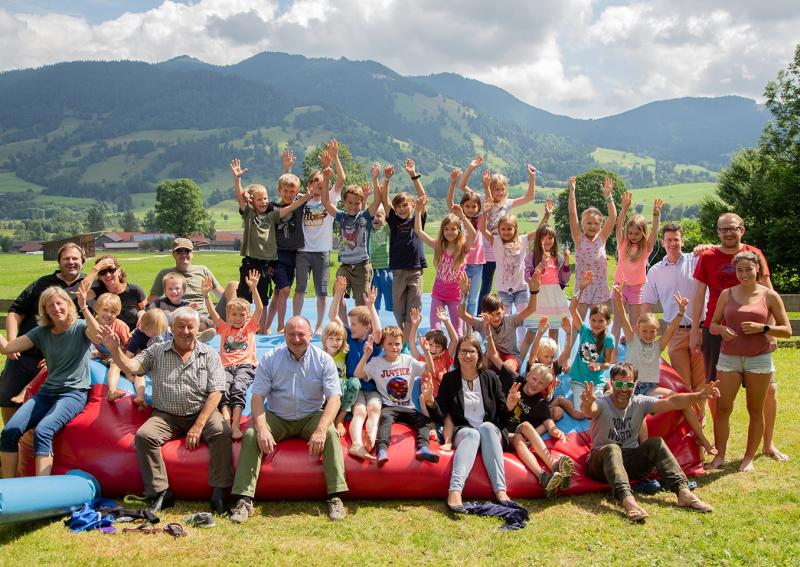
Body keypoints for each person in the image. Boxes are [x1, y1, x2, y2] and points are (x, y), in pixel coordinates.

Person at [99, 306, 233, 515]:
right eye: (180, 326)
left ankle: (219, 493)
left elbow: (216, 392)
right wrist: (115, 350)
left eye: (191, 327)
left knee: (221, 432)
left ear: (198, 328)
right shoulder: (156, 351)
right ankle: (161, 492)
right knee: (145, 436)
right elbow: (132, 367)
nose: (186, 331)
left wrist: (198, 426)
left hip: (201, 412)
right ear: (171, 327)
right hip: (166, 415)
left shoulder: (209, 354)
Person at [228, 316, 348, 523]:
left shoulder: (323, 360)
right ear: (284, 335)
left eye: (301, 334)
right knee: (251, 435)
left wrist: (321, 428)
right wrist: (262, 427)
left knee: (329, 433)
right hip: (278, 416)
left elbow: (334, 399)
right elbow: (257, 397)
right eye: (291, 334)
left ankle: (335, 496)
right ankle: (244, 499)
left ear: (311, 334)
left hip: (311, 414)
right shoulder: (271, 358)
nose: (296, 338)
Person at [690, 212, 788, 463]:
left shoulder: (755, 253)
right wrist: (696, 331)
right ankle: (720, 451)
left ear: (741, 229)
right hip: (717, 332)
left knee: (767, 393)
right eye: (722, 229)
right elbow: (699, 295)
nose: (727, 233)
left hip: (758, 339)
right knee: (718, 393)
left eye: (732, 228)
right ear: (717, 232)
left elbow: (769, 291)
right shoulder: (708, 256)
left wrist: (770, 329)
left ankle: (767, 444)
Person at [582, 363, 717, 522]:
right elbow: (590, 410)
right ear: (611, 383)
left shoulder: (640, 402)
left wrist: (699, 395)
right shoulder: (603, 403)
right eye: (619, 384)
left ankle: (683, 492)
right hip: (601, 465)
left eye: (629, 385)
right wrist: (588, 403)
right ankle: (628, 501)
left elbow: (673, 402)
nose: (623, 389)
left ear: (636, 385)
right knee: (613, 448)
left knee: (656, 443)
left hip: (630, 463)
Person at [0, 286, 99, 477]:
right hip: (46, 393)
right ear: (45, 310)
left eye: (59, 303)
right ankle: (7, 485)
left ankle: (41, 488)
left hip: (73, 393)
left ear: (68, 304)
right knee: (10, 430)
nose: (56, 308)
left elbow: (97, 337)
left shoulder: (79, 327)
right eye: (50, 305)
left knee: (44, 430)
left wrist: (84, 308)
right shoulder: (42, 332)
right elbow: (9, 348)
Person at [708, 251, 791, 472]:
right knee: (723, 408)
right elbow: (712, 325)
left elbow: (787, 331)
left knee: (755, 409)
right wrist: (722, 329)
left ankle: (748, 459)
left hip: (759, 359)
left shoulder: (769, 296)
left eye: (748, 269)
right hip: (729, 359)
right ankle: (720, 456)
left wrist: (763, 328)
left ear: (757, 269)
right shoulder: (727, 294)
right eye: (739, 270)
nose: (744, 274)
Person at [612, 284, 715, 454]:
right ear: (637, 329)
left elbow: (672, 329)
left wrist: (681, 312)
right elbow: (623, 316)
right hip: (634, 389)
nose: (648, 335)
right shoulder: (632, 340)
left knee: (683, 400)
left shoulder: (658, 345)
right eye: (645, 331)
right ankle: (644, 453)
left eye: (652, 331)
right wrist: (618, 297)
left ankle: (701, 437)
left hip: (651, 387)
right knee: (641, 418)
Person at [420, 334, 516, 513]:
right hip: (465, 433)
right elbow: (441, 414)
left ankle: (501, 492)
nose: (467, 355)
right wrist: (429, 401)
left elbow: (503, 417)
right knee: (473, 433)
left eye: (472, 351)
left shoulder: (491, 378)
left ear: (479, 354)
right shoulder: (450, 379)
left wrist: (509, 406)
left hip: (491, 433)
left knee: (485, 428)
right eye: (463, 351)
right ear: (457, 354)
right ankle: (455, 492)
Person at [0, 243, 86, 424]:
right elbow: (16, 312)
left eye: (75, 258)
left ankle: (30, 444)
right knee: (7, 395)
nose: (71, 262)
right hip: (23, 352)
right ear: (59, 261)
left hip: (55, 361)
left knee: (40, 407)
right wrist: (12, 342)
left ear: (82, 262)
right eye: (66, 259)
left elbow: (88, 331)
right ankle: (9, 438)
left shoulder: (89, 288)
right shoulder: (41, 284)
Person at [231, 157, 313, 334]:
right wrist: (237, 180)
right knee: (244, 296)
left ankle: (260, 328)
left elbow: (291, 206)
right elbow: (240, 199)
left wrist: (307, 195)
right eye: (259, 199)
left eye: (265, 198)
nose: (263, 202)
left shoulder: (272, 215)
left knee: (264, 298)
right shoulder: (249, 215)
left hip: (267, 264)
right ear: (252, 201)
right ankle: (240, 327)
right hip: (250, 262)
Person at [460, 157, 536, 311]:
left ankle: (489, 311)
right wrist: (471, 167)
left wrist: (532, 178)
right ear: (490, 188)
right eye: (496, 189)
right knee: (481, 283)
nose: (500, 192)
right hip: (484, 247)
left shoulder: (507, 203)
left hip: (500, 248)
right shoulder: (482, 198)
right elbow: (462, 186)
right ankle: (477, 313)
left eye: (502, 189)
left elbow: (529, 197)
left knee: (496, 281)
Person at [356, 325, 438, 466]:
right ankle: (382, 450)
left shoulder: (408, 361)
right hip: (389, 406)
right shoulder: (376, 363)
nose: (394, 347)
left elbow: (430, 370)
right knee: (385, 419)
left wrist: (426, 352)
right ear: (382, 345)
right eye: (390, 344)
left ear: (402, 344)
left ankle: (423, 447)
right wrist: (366, 355)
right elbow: (358, 374)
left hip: (408, 406)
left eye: (397, 344)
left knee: (425, 421)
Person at [641, 222, 706, 399]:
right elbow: (647, 303)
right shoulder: (655, 271)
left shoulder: (697, 260)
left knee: (700, 383)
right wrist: (639, 329)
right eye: (668, 240)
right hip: (675, 332)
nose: (672, 243)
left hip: (700, 329)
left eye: (676, 239)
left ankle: (700, 421)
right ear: (662, 243)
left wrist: (707, 246)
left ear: (682, 241)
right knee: (682, 384)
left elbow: (725, 249)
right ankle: (688, 423)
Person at [202, 270, 264, 441]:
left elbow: (259, 308)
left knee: (238, 388)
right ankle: (225, 422)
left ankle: (235, 424)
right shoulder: (224, 328)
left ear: (247, 316)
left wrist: (254, 288)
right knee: (222, 389)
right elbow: (213, 314)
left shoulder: (250, 327)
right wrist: (206, 295)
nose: (237, 318)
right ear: (227, 316)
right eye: (233, 315)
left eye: (241, 315)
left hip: (245, 365)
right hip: (225, 366)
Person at [292, 142, 346, 335]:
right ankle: (295, 322)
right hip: (303, 251)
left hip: (322, 252)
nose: (318, 186)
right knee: (299, 289)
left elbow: (341, 179)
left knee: (322, 293)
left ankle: (318, 325)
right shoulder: (302, 199)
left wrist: (334, 158)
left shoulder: (329, 199)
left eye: (322, 184)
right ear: (309, 185)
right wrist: (288, 168)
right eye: (315, 182)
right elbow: (287, 186)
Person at [328, 277, 383, 460]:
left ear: (366, 326)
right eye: (350, 324)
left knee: (374, 408)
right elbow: (333, 317)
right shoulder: (350, 338)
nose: (350, 327)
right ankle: (357, 443)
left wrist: (371, 306)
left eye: (353, 325)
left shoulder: (373, 341)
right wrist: (337, 294)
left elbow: (378, 331)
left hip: (372, 388)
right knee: (360, 411)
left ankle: (371, 437)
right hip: (355, 386)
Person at [320, 165, 383, 311]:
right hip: (345, 266)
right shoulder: (341, 217)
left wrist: (375, 178)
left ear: (361, 203)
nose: (353, 206)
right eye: (350, 202)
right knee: (338, 294)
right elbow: (325, 202)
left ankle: (361, 330)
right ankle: (345, 326)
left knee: (361, 302)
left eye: (357, 203)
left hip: (362, 266)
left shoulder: (365, 217)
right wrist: (326, 178)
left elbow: (377, 201)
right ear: (344, 201)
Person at [457, 271, 541, 373]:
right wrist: (464, 294)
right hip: (492, 355)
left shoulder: (511, 320)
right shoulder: (482, 322)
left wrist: (533, 292)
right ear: (484, 313)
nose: (495, 318)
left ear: (503, 309)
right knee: (483, 361)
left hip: (511, 356)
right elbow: (462, 314)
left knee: (509, 367)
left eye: (498, 313)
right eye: (491, 315)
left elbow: (531, 309)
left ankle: (506, 379)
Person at [415, 195, 475, 334]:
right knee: (435, 329)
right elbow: (419, 231)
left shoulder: (463, 248)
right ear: (442, 230)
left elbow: (472, 233)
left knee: (457, 330)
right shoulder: (438, 246)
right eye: (446, 229)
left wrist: (462, 217)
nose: (449, 232)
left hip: (455, 295)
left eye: (453, 229)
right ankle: (437, 354)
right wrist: (418, 211)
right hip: (438, 294)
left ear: (458, 231)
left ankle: (456, 354)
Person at [380, 161, 427, 342]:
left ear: (412, 205)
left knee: (413, 308)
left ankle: (407, 341)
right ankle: (404, 337)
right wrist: (386, 179)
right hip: (398, 271)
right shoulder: (393, 221)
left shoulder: (418, 219)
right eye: (398, 206)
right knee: (398, 308)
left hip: (415, 270)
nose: (401, 209)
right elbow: (384, 200)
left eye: (405, 205)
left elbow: (423, 196)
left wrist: (413, 175)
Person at [611, 193, 662, 355]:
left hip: (637, 289)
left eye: (637, 234)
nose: (633, 236)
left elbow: (654, 233)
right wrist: (624, 207)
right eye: (631, 233)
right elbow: (618, 226)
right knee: (617, 322)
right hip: (619, 288)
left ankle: (634, 354)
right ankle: (611, 355)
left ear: (642, 234)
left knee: (635, 324)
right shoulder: (623, 243)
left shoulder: (646, 248)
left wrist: (656, 215)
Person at [562, 271, 614, 419]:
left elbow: (608, 363)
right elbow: (572, 309)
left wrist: (599, 366)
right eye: (594, 320)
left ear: (607, 322)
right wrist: (581, 288)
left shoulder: (609, 339)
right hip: (578, 381)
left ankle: (606, 386)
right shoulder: (584, 330)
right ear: (589, 320)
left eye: (601, 321)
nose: (596, 324)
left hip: (595, 381)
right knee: (582, 414)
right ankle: (561, 401)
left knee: (595, 412)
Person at [262, 167, 307, 334]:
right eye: (285, 191)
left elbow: (305, 190)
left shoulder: (299, 206)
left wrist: (289, 169)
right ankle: (281, 325)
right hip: (277, 256)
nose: (288, 194)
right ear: (279, 191)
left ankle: (266, 327)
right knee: (285, 289)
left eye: (292, 191)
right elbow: (286, 181)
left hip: (293, 255)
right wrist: (286, 168)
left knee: (278, 292)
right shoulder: (272, 207)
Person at [148, 238, 226, 331]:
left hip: (205, 316)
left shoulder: (203, 270)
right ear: (173, 254)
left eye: (187, 251)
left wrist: (237, 305)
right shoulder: (166, 274)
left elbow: (221, 295)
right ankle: (196, 331)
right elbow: (151, 301)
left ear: (193, 254)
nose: (183, 254)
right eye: (179, 251)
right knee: (167, 316)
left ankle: (238, 328)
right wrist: (139, 310)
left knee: (233, 286)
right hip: (179, 318)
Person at [519, 216, 571, 357]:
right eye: (543, 238)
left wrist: (566, 263)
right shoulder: (532, 256)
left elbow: (564, 280)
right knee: (531, 333)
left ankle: (552, 367)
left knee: (553, 332)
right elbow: (529, 278)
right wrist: (541, 264)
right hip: (538, 299)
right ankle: (519, 365)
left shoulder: (558, 258)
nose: (547, 241)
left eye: (550, 238)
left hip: (555, 299)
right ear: (538, 240)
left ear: (554, 240)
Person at [567, 175, 617, 311]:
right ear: (582, 224)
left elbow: (613, 217)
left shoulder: (602, 238)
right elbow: (572, 214)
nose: (592, 226)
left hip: (600, 288)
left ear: (601, 225)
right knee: (578, 325)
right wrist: (572, 192)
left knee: (599, 324)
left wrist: (608, 196)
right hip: (582, 287)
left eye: (596, 223)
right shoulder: (578, 238)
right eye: (589, 223)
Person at [445, 167, 484, 323]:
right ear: (462, 206)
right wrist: (453, 182)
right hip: (462, 264)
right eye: (467, 206)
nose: (470, 209)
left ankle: (470, 325)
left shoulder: (481, 219)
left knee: (473, 299)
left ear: (478, 208)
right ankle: (459, 323)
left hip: (478, 265)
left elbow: (488, 206)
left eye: (474, 206)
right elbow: (449, 201)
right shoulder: (458, 219)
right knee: (460, 296)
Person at [81, 255, 146, 332]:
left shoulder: (135, 290)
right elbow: (81, 294)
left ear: (119, 271)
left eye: (111, 270)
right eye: (102, 272)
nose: (108, 275)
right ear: (99, 277)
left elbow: (145, 309)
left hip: (133, 336)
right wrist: (96, 269)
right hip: (107, 338)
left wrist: (142, 315)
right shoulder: (98, 292)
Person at [90, 293, 131, 403]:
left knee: (115, 363)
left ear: (117, 313)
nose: (108, 314)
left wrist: (126, 365)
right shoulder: (93, 324)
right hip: (103, 355)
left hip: (119, 356)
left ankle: (112, 390)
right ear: (97, 308)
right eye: (105, 310)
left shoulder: (120, 326)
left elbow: (130, 346)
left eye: (113, 312)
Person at [321, 320, 359, 438]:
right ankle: (327, 416)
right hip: (326, 394)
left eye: (338, 339)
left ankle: (340, 418)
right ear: (325, 340)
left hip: (341, 392)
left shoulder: (344, 353)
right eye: (331, 338)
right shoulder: (320, 356)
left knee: (354, 382)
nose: (335, 342)